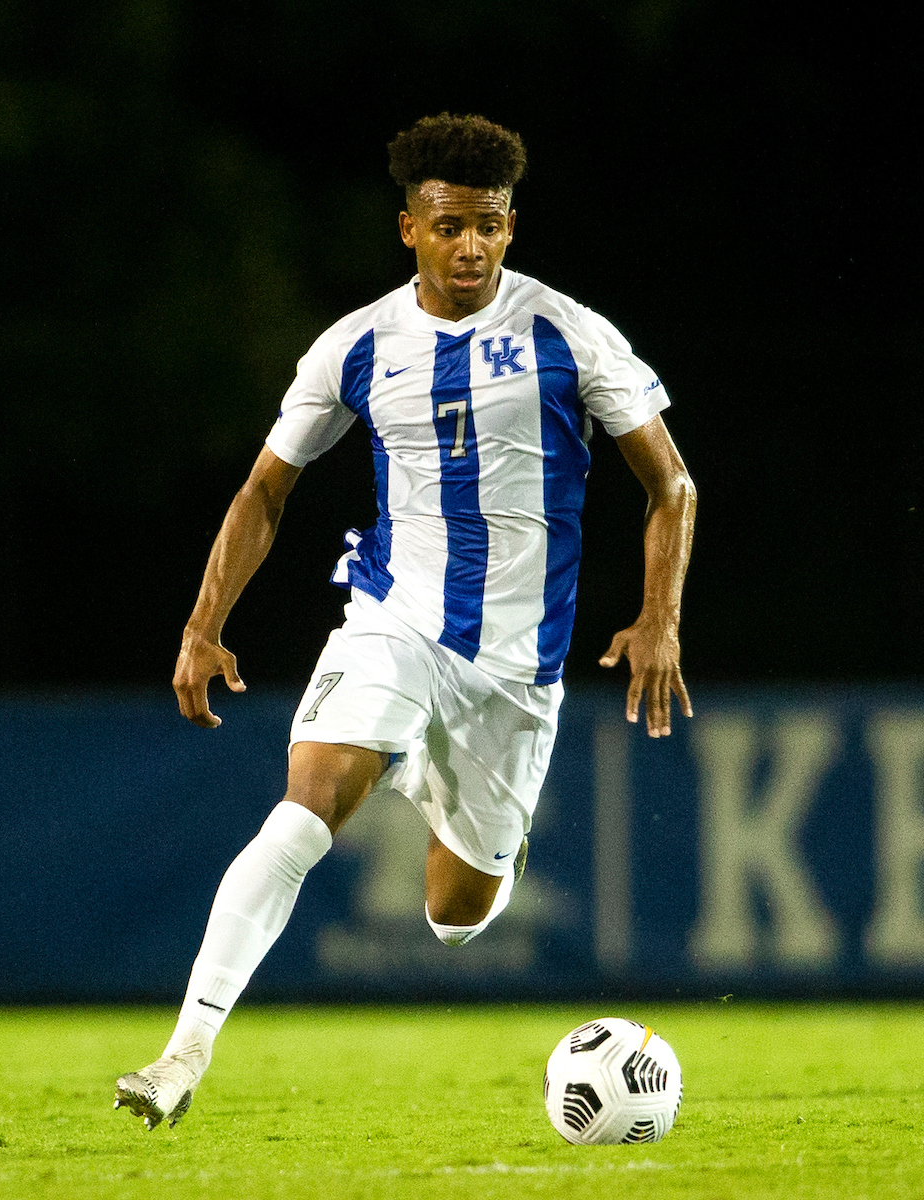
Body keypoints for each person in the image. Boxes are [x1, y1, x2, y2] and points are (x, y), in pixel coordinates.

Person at [114, 112, 696, 1131]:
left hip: (518, 669)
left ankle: (459, 815)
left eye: (489, 226)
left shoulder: (568, 331)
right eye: (449, 226)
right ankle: (181, 1055)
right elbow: (263, 491)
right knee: (301, 811)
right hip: (394, 622)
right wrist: (202, 624)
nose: (470, 245)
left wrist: (660, 618)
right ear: (408, 229)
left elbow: (672, 486)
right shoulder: (356, 345)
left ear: (511, 229)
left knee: (455, 918)